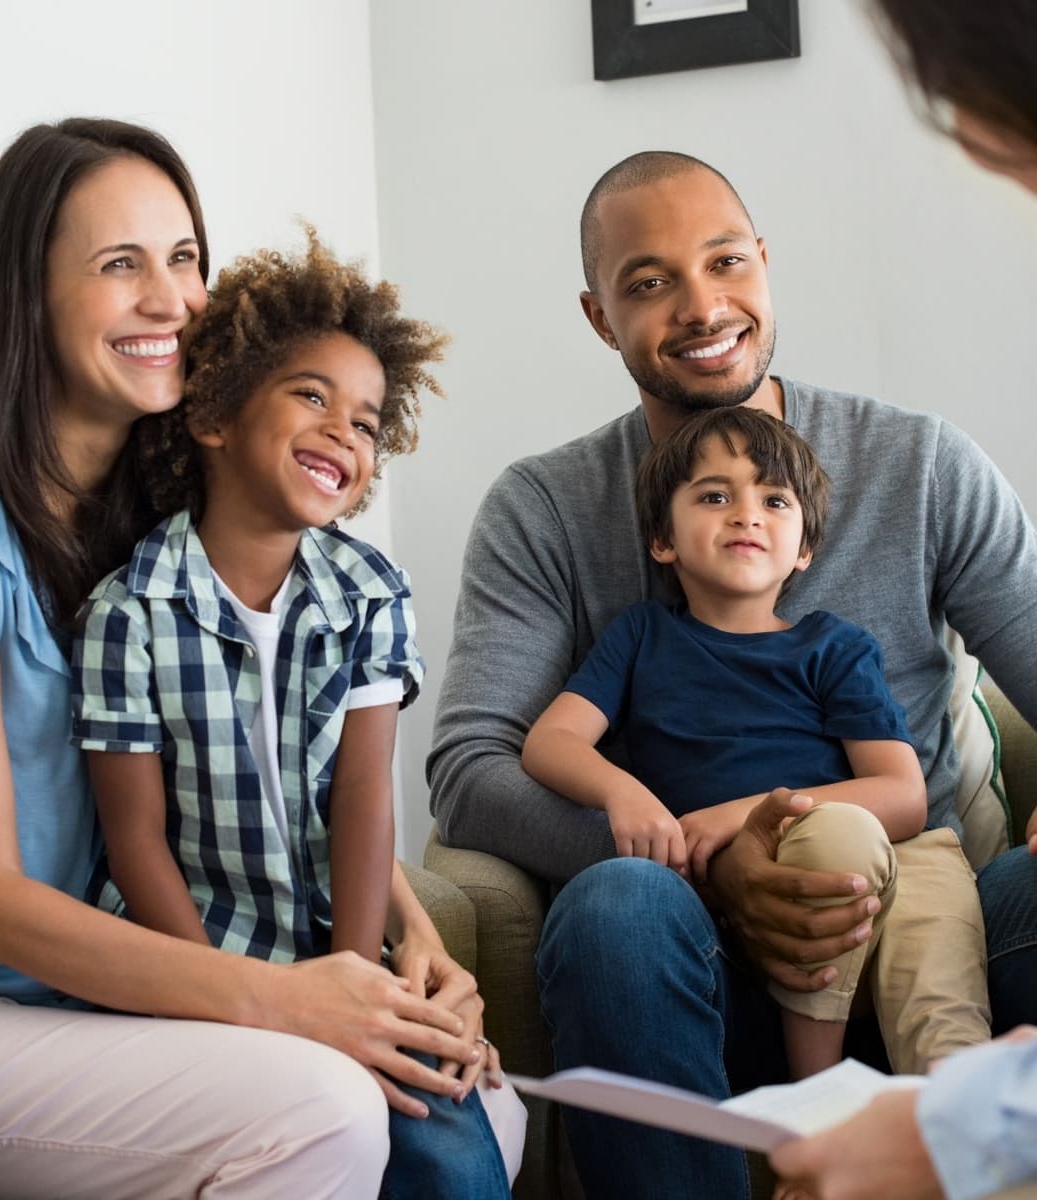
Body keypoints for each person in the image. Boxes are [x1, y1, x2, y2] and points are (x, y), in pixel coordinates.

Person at [0, 117, 503, 1200]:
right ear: (27, 294)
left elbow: (286, 784)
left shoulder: (168, 518)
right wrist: (280, 1001)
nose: (172, 300)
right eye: (119, 265)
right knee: (324, 1107)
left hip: (97, 995)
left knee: (467, 1107)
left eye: (185, 256)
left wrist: (409, 948)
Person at [428, 144, 1037, 1195]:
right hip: (680, 947)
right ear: (598, 317)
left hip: (912, 904)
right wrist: (705, 864)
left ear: (764, 261)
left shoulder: (922, 465)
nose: (702, 306)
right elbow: (472, 767)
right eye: (649, 283)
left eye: (724, 263)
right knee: (618, 909)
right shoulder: (545, 509)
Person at [72, 228, 524, 1196]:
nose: (342, 434)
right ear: (216, 416)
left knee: (451, 1119)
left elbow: (364, 799)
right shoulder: (128, 614)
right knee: (393, 1122)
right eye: (311, 396)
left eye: (365, 422)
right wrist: (224, 1005)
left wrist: (358, 986)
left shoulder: (370, 593)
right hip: (189, 967)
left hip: (336, 952)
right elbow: (135, 841)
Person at [768, 2, 1037, 1197]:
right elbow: (487, 763)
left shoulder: (915, 475)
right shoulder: (616, 607)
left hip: (912, 846)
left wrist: (968, 1126)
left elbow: (904, 789)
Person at [522, 405, 991, 1083]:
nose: (746, 515)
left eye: (774, 500)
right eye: (715, 496)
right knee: (828, 844)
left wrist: (731, 815)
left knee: (944, 1023)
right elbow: (551, 741)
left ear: (804, 549)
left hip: (900, 860)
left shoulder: (834, 645)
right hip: (742, 903)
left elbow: (901, 795)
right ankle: (814, 1116)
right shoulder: (641, 637)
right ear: (663, 538)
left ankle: (961, 1160)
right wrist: (621, 792)